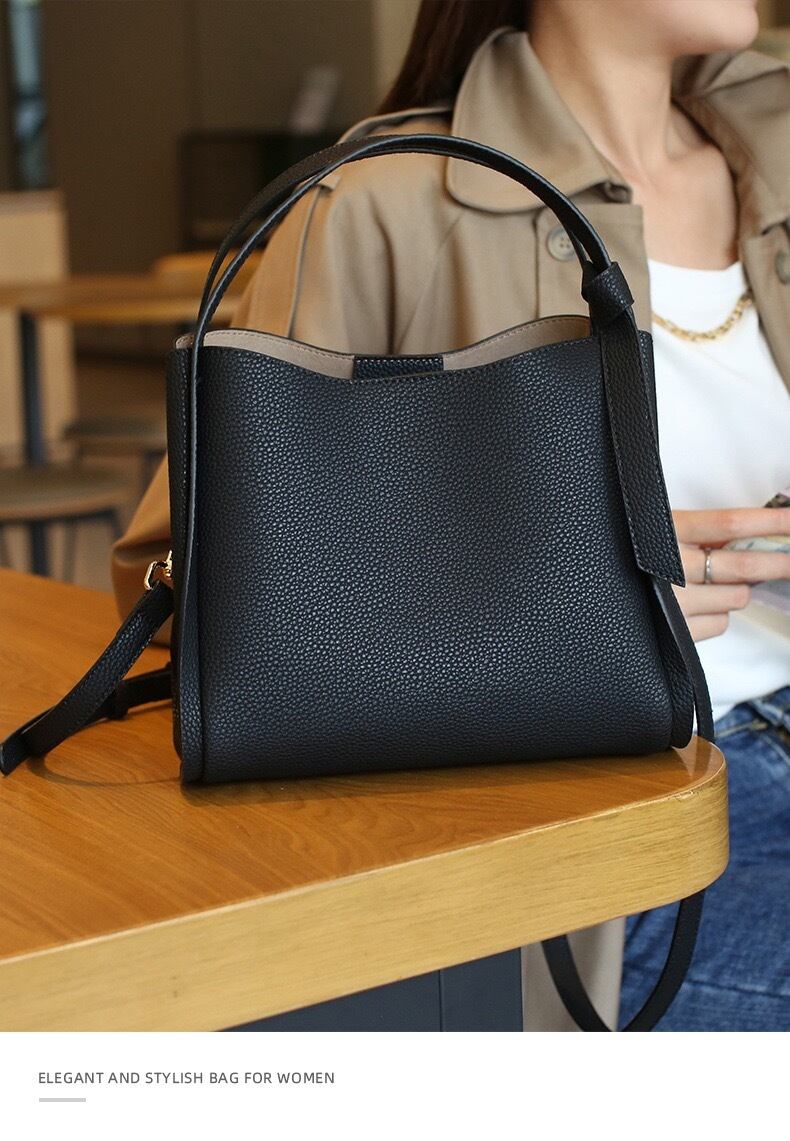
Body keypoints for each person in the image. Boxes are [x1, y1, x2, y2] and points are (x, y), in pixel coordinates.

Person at [113, 0, 790, 1029]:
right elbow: (193, 595)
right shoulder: (385, 207)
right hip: (633, 824)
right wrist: (581, 599)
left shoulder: (772, 152)